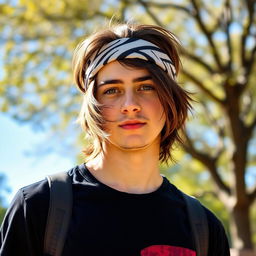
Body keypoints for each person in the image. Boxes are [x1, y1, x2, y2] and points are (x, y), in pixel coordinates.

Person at [0, 22, 230, 256]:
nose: (130, 105)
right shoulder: (39, 207)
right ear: (93, 106)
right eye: (112, 90)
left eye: (146, 87)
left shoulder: (204, 230)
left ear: (170, 100)